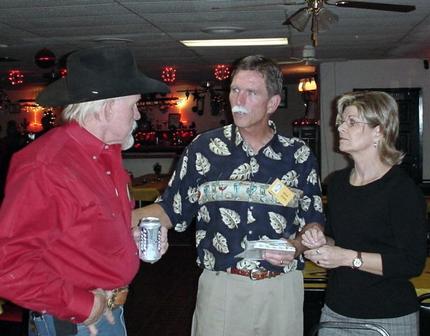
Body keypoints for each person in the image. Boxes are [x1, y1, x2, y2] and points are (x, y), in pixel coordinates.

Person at [133, 55, 325, 336]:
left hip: (281, 290)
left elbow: (313, 221)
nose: (239, 99)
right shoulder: (204, 149)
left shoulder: (297, 155)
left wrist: (298, 245)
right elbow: (170, 209)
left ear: (272, 103)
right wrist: (114, 219)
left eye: (251, 92)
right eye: (235, 90)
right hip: (222, 287)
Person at [0, 46, 169, 336]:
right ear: (106, 108)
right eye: (133, 105)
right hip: (72, 322)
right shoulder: (49, 165)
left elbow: (84, 231)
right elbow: (7, 264)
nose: (138, 115)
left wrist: (130, 239)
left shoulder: (107, 155)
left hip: (107, 314)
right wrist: (82, 305)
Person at [302, 91, 427, 335]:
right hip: (336, 310)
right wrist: (318, 242)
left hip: (387, 316)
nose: (340, 128)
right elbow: (339, 240)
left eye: (351, 122)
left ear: (379, 131)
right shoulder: (337, 183)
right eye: (341, 121)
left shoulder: (400, 189)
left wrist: (347, 258)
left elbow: (411, 263)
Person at [0, 120, 27, 200]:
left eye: (12, 128)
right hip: (5, 166)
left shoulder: (20, 139)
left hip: (16, 166)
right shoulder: (4, 140)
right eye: (9, 128)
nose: (10, 130)